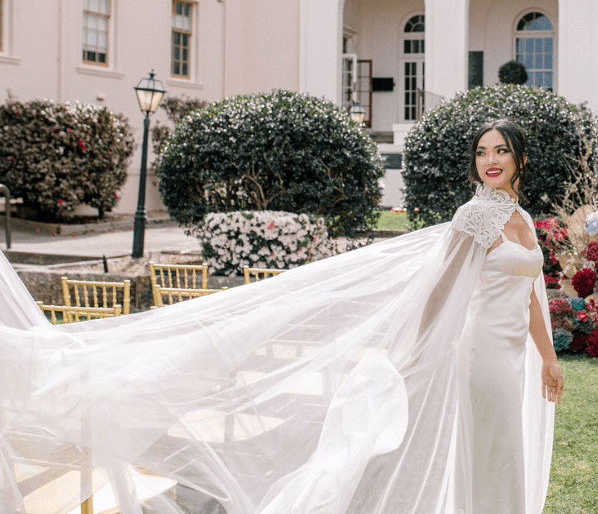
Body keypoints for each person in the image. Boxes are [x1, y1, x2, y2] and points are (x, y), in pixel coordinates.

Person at [0, 120, 561, 514]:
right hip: (477, 356)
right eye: (483, 151)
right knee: (486, 450)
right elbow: (440, 290)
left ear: (520, 161)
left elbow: (531, 293)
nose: (489, 161)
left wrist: (549, 359)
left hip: (510, 356)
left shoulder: (523, 218)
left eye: (501, 152)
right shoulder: (474, 216)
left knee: (503, 449)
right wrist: (418, 349)